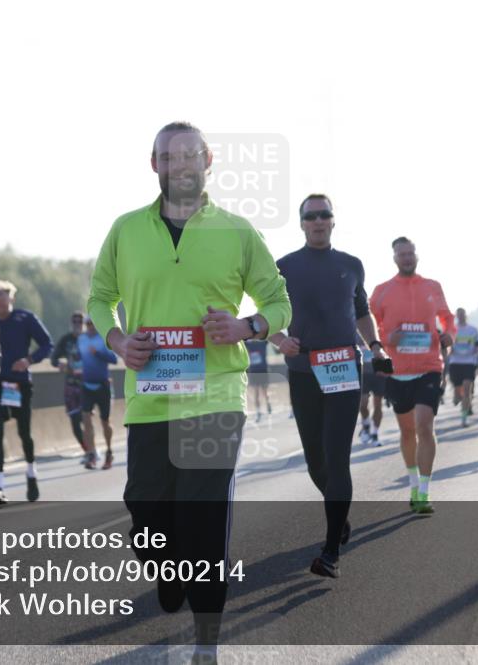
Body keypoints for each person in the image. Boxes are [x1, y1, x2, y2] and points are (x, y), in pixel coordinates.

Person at [87, 121, 291, 661]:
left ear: (209, 160)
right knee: (146, 510)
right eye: (169, 157)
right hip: (150, 397)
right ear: (153, 165)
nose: (181, 166)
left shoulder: (239, 231)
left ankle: (207, 642)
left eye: (190, 156)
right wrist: (117, 340)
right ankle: (167, 570)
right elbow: (100, 298)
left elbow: (277, 303)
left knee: (204, 522)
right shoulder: (126, 230)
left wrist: (246, 327)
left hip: (216, 396)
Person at [272, 194, 386, 578]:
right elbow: (265, 313)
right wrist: (279, 341)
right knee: (316, 462)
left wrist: (376, 346)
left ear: (333, 221)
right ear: (302, 223)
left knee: (337, 457)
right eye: (311, 216)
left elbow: (362, 312)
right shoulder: (284, 266)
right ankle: (341, 519)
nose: (318, 221)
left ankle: (330, 550)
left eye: (325, 215)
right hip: (304, 371)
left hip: (342, 368)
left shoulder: (351, 264)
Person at [370, 237, 455, 515]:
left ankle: (424, 492)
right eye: (401, 254)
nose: (407, 258)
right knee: (407, 431)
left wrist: (448, 335)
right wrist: (386, 337)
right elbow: (371, 324)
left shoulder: (432, 287)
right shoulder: (382, 291)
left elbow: (447, 318)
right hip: (397, 371)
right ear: (394, 258)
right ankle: (413, 483)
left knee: (423, 426)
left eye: (410, 253)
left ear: (416, 256)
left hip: (429, 367)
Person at [0, 280, 54, 503]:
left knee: (24, 431)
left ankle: (31, 473)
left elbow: (47, 344)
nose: (1, 309)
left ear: (12, 300)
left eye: (4, 304)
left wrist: (29, 360)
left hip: (20, 384)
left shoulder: (25, 318)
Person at [78, 316, 118, 469]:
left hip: (102, 385)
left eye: (92, 324)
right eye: (87, 324)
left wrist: (98, 354)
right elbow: (80, 359)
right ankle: (91, 453)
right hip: (87, 385)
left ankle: (109, 451)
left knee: (105, 421)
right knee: (86, 418)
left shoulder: (103, 339)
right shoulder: (81, 339)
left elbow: (114, 359)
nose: (90, 326)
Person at [51, 311, 88, 461]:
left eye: (80, 322)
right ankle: (87, 450)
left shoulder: (90, 338)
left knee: (86, 419)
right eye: (75, 322)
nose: (77, 325)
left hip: (88, 384)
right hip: (71, 384)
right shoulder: (66, 340)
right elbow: (54, 358)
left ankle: (91, 450)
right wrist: (60, 362)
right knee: (74, 419)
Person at [449, 308, 478, 427]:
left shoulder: (473, 330)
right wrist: (449, 349)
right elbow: (448, 344)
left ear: (466, 315)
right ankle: (456, 395)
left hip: (469, 362)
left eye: (463, 314)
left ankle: (464, 417)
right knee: (459, 393)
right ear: (456, 316)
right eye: (459, 315)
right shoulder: (453, 329)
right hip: (455, 362)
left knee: (467, 390)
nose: (461, 316)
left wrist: (477, 350)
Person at [359, 346, 386, 446]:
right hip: (363, 373)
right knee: (363, 404)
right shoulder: (355, 333)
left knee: (378, 404)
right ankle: (366, 425)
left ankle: (375, 433)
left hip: (379, 372)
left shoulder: (380, 331)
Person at [244, 338, 272, 422]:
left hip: (263, 370)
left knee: (264, 391)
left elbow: (269, 335)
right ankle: (258, 412)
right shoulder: (249, 344)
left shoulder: (263, 343)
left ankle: (268, 405)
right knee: (256, 392)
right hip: (254, 371)